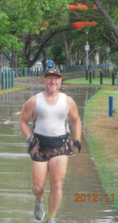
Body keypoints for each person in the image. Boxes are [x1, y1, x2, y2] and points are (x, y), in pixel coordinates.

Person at [19, 68, 82, 223]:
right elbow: (23, 122)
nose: (53, 82)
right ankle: (39, 200)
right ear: (44, 81)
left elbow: (75, 120)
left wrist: (77, 139)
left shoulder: (67, 101)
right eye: (50, 79)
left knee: (57, 184)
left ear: (60, 81)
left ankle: (51, 217)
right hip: (39, 145)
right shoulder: (34, 101)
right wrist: (29, 138)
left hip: (60, 145)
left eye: (56, 79)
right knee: (38, 187)